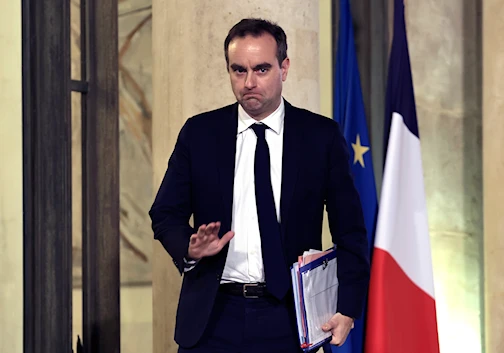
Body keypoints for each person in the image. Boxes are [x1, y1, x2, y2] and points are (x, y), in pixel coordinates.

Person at [149, 18, 370, 353]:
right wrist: (190, 249)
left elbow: (351, 232)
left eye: (261, 69)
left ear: (284, 68)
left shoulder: (320, 137)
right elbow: (165, 214)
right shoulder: (199, 134)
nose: (249, 82)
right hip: (212, 318)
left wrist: (347, 309)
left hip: (289, 317)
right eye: (238, 70)